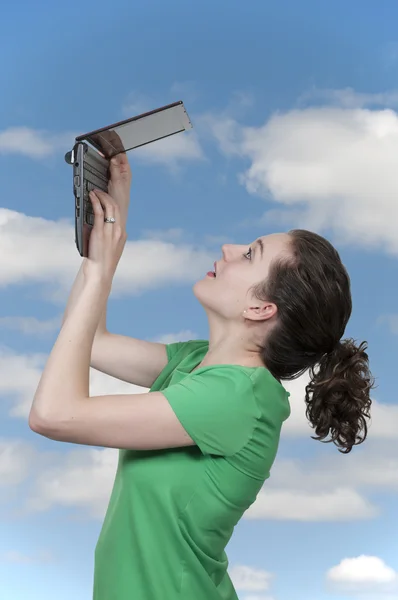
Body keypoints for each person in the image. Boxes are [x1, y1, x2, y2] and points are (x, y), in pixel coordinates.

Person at [29, 154, 373, 600]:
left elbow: (53, 414)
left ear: (260, 308)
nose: (229, 249)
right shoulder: (197, 364)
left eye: (250, 254)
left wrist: (99, 270)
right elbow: (87, 339)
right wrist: (109, 238)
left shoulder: (235, 398)